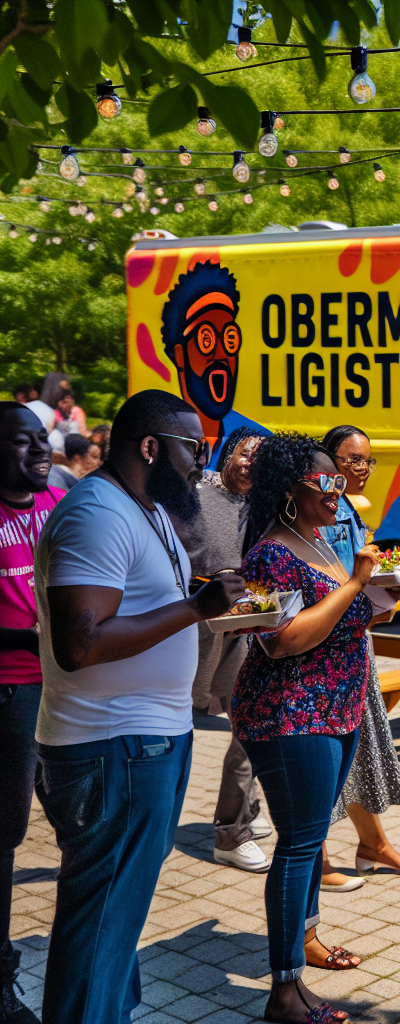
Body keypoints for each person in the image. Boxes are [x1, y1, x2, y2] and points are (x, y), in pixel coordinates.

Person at [32, 390, 244, 1024]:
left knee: (118, 912)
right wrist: (196, 609)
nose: (202, 464)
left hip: (149, 740)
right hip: (112, 746)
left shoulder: (143, 508)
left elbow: (145, 604)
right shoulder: (96, 513)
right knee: (101, 915)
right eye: (194, 449)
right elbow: (80, 643)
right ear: (150, 447)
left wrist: (204, 600)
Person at [234, 434, 383, 1024]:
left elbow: (343, 614)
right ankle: (285, 992)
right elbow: (282, 640)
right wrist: (355, 585)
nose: (337, 491)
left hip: (337, 709)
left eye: (339, 481)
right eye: (326, 481)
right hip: (291, 714)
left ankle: (309, 939)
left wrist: (382, 593)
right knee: (298, 845)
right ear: (290, 489)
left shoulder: (318, 540)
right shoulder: (270, 554)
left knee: (312, 837)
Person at [318, 425, 400, 889]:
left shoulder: (347, 506)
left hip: (353, 639)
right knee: (327, 752)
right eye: (352, 460)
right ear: (327, 462)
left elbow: (357, 577)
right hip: (326, 646)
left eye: (367, 460)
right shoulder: (322, 510)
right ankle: (316, 858)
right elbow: (332, 582)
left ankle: (373, 845)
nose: (363, 468)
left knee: (360, 746)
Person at [171, 426, 272, 872]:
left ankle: (233, 829)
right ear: (229, 453)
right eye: (247, 454)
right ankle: (147, 822)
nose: (252, 464)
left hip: (239, 626)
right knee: (175, 723)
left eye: (261, 460)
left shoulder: (261, 504)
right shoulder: (193, 491)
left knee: (250, 723)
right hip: (188, 625)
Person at [0, 404, 59, 1024]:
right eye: (24, 441)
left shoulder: (57, 506)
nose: (41, 449)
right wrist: (28, 640)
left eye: (43, 437)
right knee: (6, 837)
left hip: (64, 690)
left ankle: (83, 961)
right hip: (11, 692)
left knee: (82, 827)